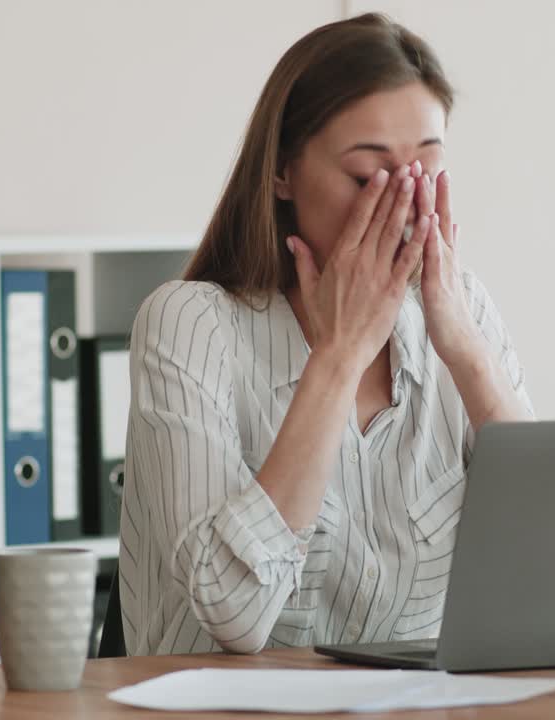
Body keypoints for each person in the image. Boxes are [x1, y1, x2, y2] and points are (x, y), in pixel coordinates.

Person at [118, 12, 533, 656]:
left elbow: (553, 561)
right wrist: (339, 356)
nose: (403, 206)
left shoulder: (464, 311)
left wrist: (465, 351)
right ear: (283, 172)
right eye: (369, 179)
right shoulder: (191, 323)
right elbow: (235, 617)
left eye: (427, 172)